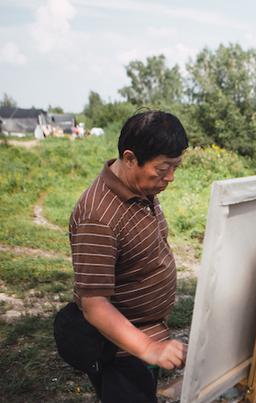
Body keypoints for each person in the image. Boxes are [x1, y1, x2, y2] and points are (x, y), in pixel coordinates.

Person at [69, 111, 188, 402]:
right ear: (130, 158)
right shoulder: (97, 216)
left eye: (176, 167)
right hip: (121, 349)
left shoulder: (140, 189)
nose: (170, 178)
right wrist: (149, 347)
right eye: (162, 169)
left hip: (147, 336)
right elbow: (94, 306)